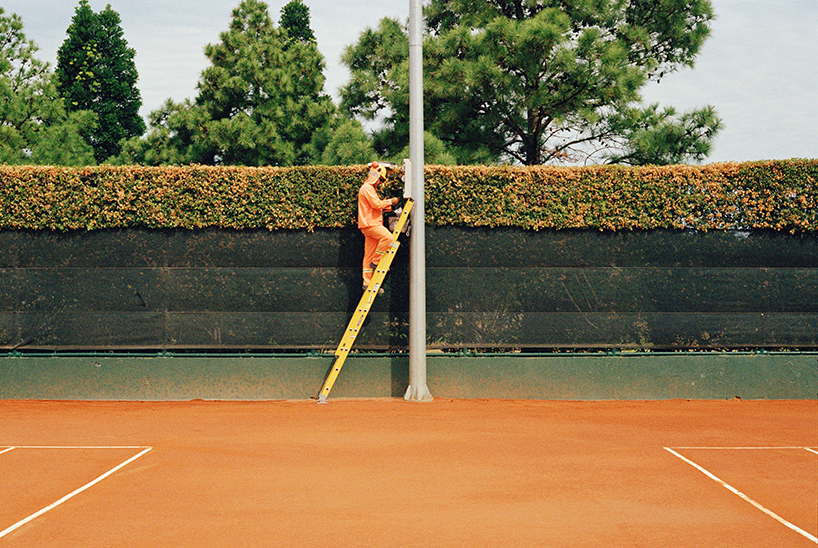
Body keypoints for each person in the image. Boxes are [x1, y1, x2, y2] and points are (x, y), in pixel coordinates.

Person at [358, 161, 400, 291]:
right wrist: (391, 201)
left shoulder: (368, 189)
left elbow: (375, 206)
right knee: (388, 238)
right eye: (380, 180)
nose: (380, 183)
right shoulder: (367, 188)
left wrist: (387, 206)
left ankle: (367, 283)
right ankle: (376, 263)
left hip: (368, 224)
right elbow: (376, 204)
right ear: (375, 175)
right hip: (371, 224)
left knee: (368, 254)